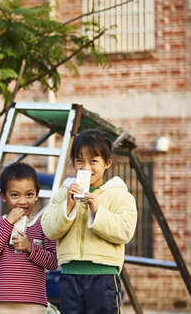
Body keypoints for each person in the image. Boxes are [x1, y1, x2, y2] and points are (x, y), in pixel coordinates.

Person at [41, 129, 138, 314]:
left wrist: (97, 211)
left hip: (104, 277)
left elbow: (125, 231)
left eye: (93, 161)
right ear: (73, 163)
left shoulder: (119, 194)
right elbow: (49, 229)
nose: (86, 168)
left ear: (107, 163)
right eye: (80, 161)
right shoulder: (64, 193)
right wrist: (68, 207)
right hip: (70, 276)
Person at [0, 162, 58, 314]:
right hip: (2, 304)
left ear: (37, 195)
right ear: (3, 196)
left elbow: (52, 263)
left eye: (29, 194)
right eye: (15, 195)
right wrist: (9, 222)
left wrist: (30, 247)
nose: (23, 201)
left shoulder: (44, 226)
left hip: (34, 305)